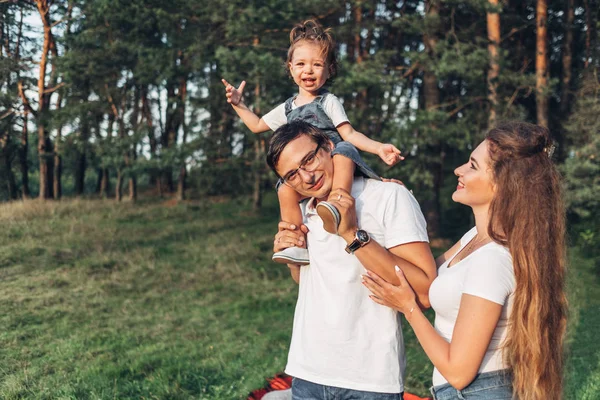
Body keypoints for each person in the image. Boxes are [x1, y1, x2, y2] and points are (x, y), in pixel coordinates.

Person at [362, 122, 567, 400]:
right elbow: (423, 279)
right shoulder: (475, 238)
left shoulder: (493, 260)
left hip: (475, 391)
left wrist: (409, 309)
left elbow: (458, 372)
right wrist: (391, 205)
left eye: (472, 165)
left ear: (501, 185)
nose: (459, 170)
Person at [269, 120, 437, 400]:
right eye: (293, 175)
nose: (307, 178)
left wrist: (351, 234)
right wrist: (292, 259)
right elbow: (307, 281)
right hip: (308, 371)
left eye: (309, 160)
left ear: (330, 147)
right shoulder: (304, 212)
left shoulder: (388, 197)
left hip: (370, 379)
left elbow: (425, 292)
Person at [223, 19, 403, 265]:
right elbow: (256, 126)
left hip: (334, 161)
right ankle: (295, 238)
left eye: (317, 64)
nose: (308, 70)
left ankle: (338, 205)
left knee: (343, 149)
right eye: (301, 64)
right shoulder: (287, 107)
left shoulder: (328, 102)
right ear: (291, 68)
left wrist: (378, 147)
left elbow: (349, 134)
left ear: (328, 70)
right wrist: (238, 104)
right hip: (308, 170)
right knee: (284, 186)